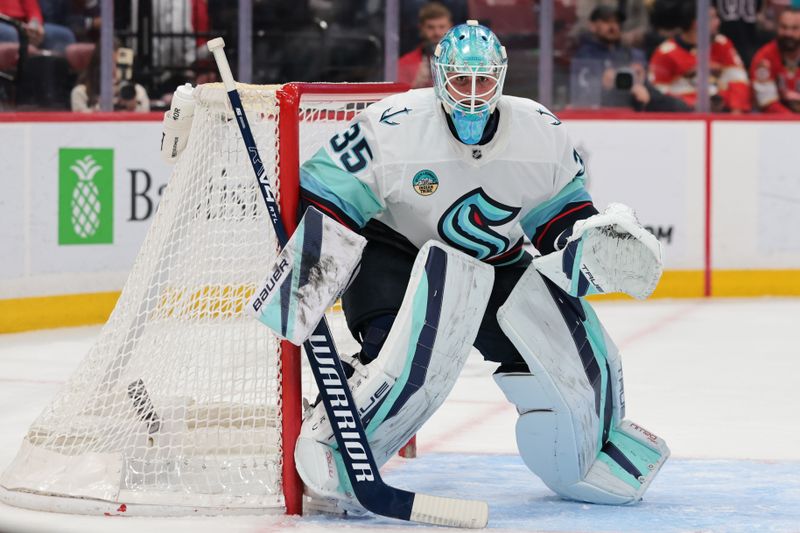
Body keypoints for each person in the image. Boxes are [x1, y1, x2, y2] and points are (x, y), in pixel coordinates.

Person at [273, 21, 670, 513]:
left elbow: (559, 218)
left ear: (501, 79)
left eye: (484, 81)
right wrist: (312, 269)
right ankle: (336, 434)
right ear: (441, 78)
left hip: (498, 264)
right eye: (463, 81)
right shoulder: (394, 125)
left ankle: (587, 454)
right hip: (397, 252)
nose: (474, 94)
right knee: (406, 355)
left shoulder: (539, 131)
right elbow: (326, 193)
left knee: (578, 358)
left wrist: (585, 243)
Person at [571, 5, 691, 111]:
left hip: (633, 110)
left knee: (677, 106)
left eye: (616, 22)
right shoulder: (585, 55)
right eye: (606, 21)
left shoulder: (630, 53)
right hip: (602, 115)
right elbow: (585, 93)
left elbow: (648, 89)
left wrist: (641, 81)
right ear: (592, 26)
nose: (613, 26)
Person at [649, 4, 752, 112]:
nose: (718, 22)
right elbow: (658, 95)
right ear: (697, 23)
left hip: (723, 115)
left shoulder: (722, 44)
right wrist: (690, 105)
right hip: (685, 118)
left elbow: (739, 81)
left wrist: (736, 112)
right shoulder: (665, 53)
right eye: (713, 18)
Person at [71, 41, 149, 112]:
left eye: (119, 65)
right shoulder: (80, 93)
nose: (114, 70)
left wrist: (133, 108)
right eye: (109, 64)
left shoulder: (138, 92)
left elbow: (146, 122)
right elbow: (81, 124)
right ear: (98, 65)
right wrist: (104, 104)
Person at [750, 7, 800, 112]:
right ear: (777, 27)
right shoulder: (764, 58)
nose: (788, 33)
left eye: (795, 28)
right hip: (773, 123)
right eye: (784, 27)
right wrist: (794, 122)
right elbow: (767, 103)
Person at [397, 2, 452, 88]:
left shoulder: (463, 62)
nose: (436, 33)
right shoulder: (405, 63)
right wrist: (415, 86)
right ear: (421, 28)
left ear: (450, 27)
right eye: (430, 27)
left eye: (442, 27)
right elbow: (397, 99)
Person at [0, 0, 75, 52]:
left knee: (64, 36)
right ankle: (16, 73)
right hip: (5, 23)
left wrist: (35, 25)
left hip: (23, 25)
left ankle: (51, 73)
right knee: (10, 33)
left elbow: (33, 10)